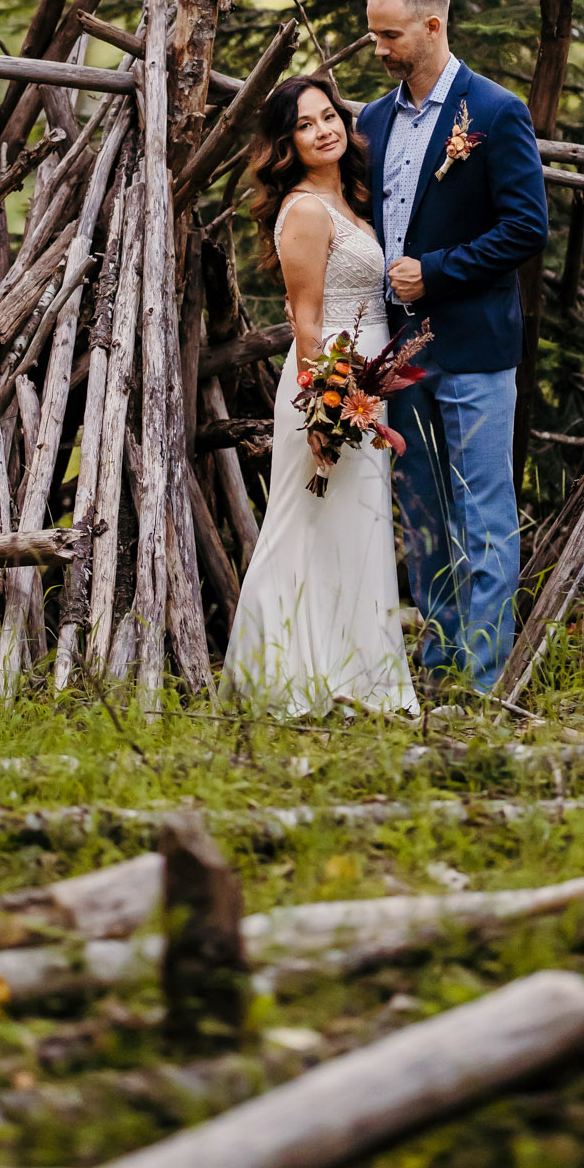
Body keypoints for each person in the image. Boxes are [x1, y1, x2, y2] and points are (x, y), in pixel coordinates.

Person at [358, 0, 549, 693]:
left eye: (389, 34)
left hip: (472, 349)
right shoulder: (373, 120)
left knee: (483, 514)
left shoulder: (494, 113)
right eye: (372, 33)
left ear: (433, 27)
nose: (377, 47)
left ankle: (484, 679)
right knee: (421, 513)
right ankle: (437, 668)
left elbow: (525, 229)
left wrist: (433, 271)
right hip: (398, 354)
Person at [220, 74, 419, 717]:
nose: (323, 130)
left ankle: (357, 679)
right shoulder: (305, 209)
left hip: (366, 383)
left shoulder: (353, 199)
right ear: (287, 143)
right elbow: (304, 318)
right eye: (304, 125)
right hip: (330, 382)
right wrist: (322, 407)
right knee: (302, 526)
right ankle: (280, 678)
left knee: (353, 531)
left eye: (328, 116)